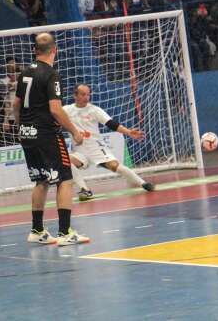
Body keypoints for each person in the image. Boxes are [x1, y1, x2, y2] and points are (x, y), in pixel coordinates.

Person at [13, 33, 89, 246]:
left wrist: (23, 126)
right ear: (54, 50)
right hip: (46, 134)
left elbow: (15, 105)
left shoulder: (25, 73)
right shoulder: (51, 74)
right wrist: (74, 131)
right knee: (65, 179)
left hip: (27, 133)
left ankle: (37, 230)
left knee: (41, 179)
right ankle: (65, 233)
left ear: (35, 50)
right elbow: (55, 110)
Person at [63, 84, 155, 201]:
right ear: (75, 95)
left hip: (97, 148)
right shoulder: (66, 110)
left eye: (88, 94)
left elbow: (111, 124)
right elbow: (55, 115)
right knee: (65, 161)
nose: (86, 97)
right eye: (83, 94)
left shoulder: (94, 110)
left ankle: (144, 184)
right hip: (80, 152)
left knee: (116, 167)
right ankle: (85, 190)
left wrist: (128, 132)